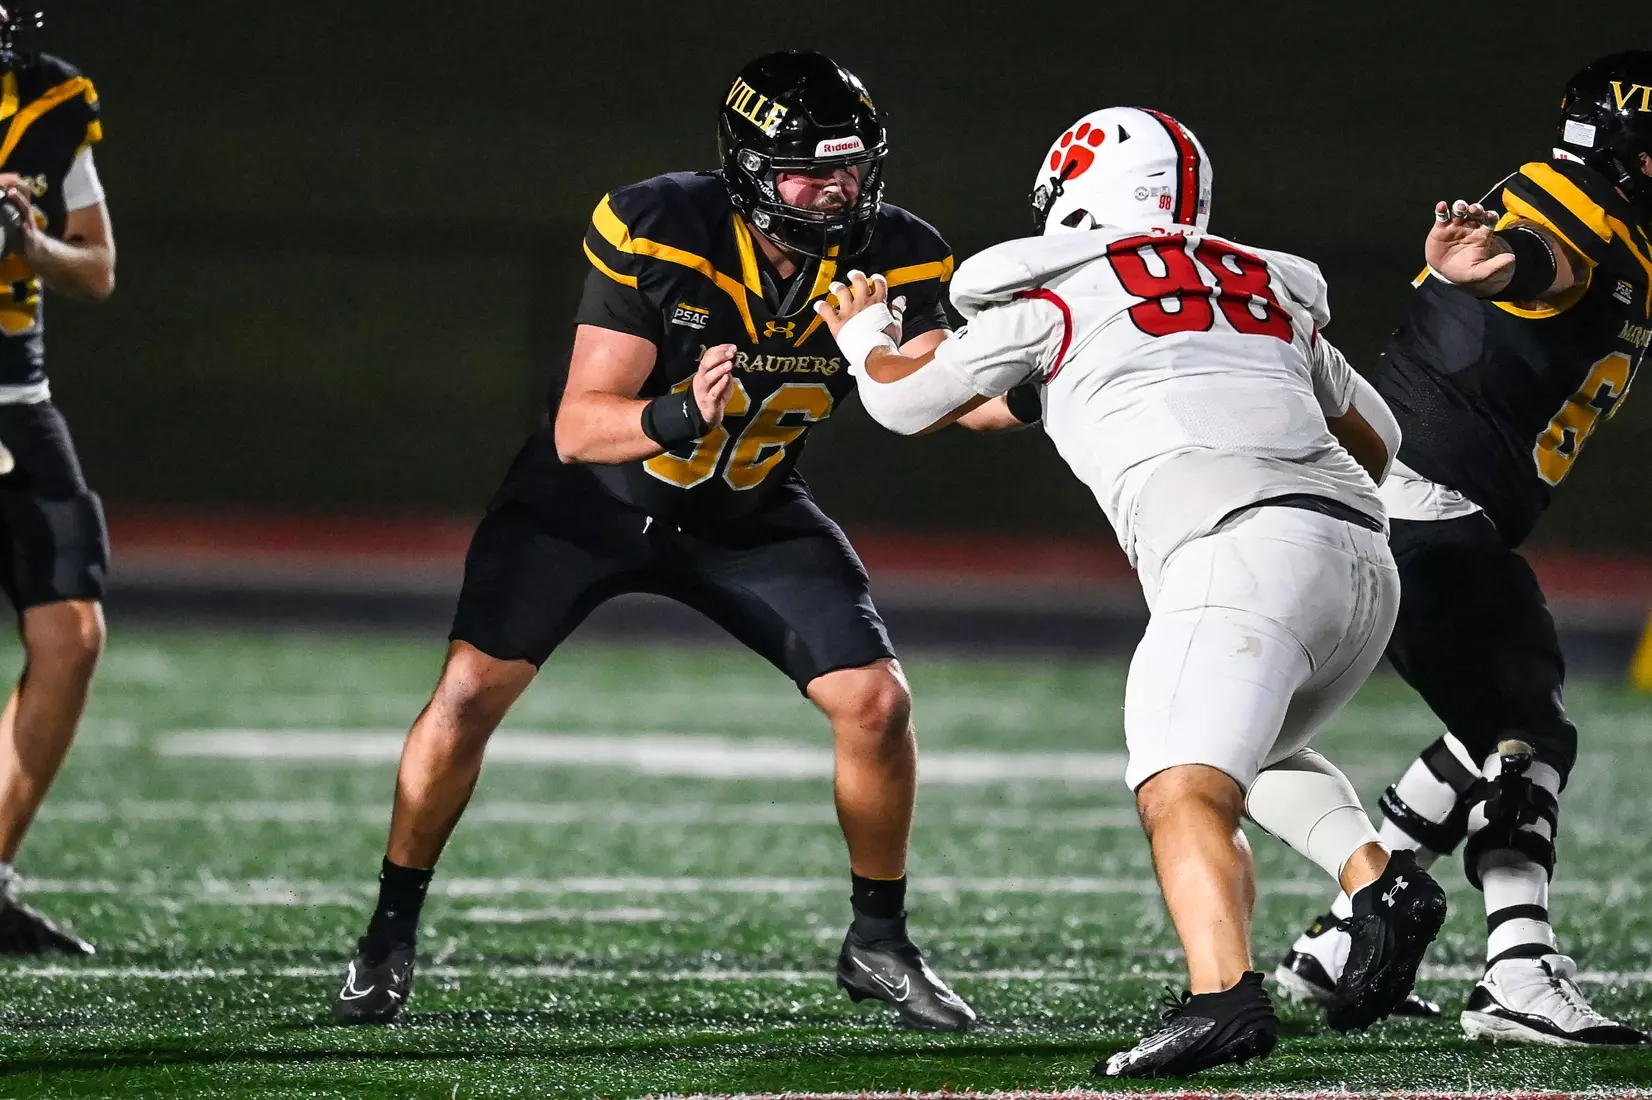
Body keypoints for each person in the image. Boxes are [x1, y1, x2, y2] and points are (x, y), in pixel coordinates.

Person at [329, 51, 976, 1032]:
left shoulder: (899, 252)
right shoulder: (664, 225)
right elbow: (577, 427)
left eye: (852, 168)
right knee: (464, 694)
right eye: (812, 172)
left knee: (877, 703)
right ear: (751, 170)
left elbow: (941, 398)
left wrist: (1036, 381)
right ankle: (388, 931)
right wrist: (677, 411)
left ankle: (878, 941)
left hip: (746, 509)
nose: (840, 190)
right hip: (587, 504)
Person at [814, 107, 1447, 1077]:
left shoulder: (1058, 291)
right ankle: (1376, 882)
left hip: (1239, 550)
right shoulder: (1261, 288)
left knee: (1179, 782)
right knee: (1252, 753)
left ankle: (1222, 999)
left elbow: (902, 401)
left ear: (1078, 193)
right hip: (1361, 557)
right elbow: (1380, 437)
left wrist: (866, 337)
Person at [1276, 51, 1652, 1047]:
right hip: (1422, 501)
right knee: (1525, 733)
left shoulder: (1622, 228)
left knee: (1480, 725)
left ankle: (1338, 945)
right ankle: (1516, 970)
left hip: (1426, 500)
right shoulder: (1568, 200)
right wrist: (1501, 262)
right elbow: (1539, 252)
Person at [0, 4, 116, 957]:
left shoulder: (52, 96)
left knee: (69, 635)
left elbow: (99, 267)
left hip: (16, 401)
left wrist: (31, 248)